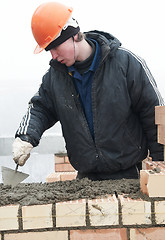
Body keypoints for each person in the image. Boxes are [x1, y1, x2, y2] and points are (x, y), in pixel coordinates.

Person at [12, 2, 164, 180]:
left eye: (55, 47)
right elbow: (40, 108)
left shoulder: (126, 63)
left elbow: (154, 115)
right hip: (86, 179)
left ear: (74, 36)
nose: (53, 55)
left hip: (130, 175)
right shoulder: (55, 78)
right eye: (48, 50)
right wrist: (26, 137)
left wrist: (160, 165)